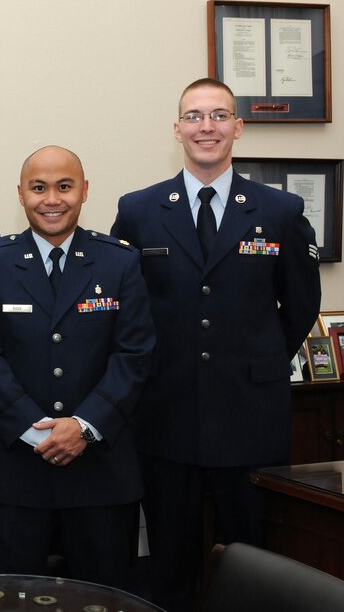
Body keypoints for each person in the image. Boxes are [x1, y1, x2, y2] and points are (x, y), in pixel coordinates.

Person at [111, 78, 321, 611]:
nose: (207, 126)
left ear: (238, 127)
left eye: (219, 115)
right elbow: (124, 308)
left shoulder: (279, 210)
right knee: (170, 557)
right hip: (166, 410)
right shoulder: (138, 210)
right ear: (177, 129)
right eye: (195, 116)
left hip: (250, 413)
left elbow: (300, 306)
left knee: (251, 556)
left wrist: (259, 359)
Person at [0, 145, 154, 590]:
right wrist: (38, 429)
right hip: (15, 469)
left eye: (64, 187)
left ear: (84, 191)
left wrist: (83, 426)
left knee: (105, 596)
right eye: (39, 188)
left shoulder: (119, 261)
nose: (52, 199)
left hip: (100, 471)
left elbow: (134, 355)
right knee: (13, 598)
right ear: (21, 194)